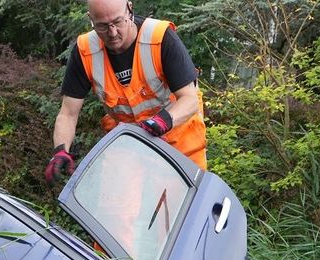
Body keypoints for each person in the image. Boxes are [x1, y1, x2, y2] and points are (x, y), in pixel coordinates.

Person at [45, 0, 207, 184]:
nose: (112, 33)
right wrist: (60, 150)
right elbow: (68, 113)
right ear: (91, 19)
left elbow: (189, 99)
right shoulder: (85, 51)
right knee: (117, 208)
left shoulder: (160, 38)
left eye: (118, 22)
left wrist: (161, 122)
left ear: (129, 8)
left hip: (180, 140)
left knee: (184, 206)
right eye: (102, 26)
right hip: (128, 145)